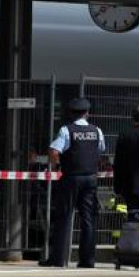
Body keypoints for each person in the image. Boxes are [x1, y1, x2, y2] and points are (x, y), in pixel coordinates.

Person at [41, 98, 105, 268]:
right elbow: (100, 150)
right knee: (88, 219)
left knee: (64, 216)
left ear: (71, 113)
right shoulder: (97, 130)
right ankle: (88, 260)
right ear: (87, 113)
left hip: (71, 177)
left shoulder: (66, 130)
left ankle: (58, 259)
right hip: (91, 178)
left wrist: (58, 165)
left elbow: (54, 151)